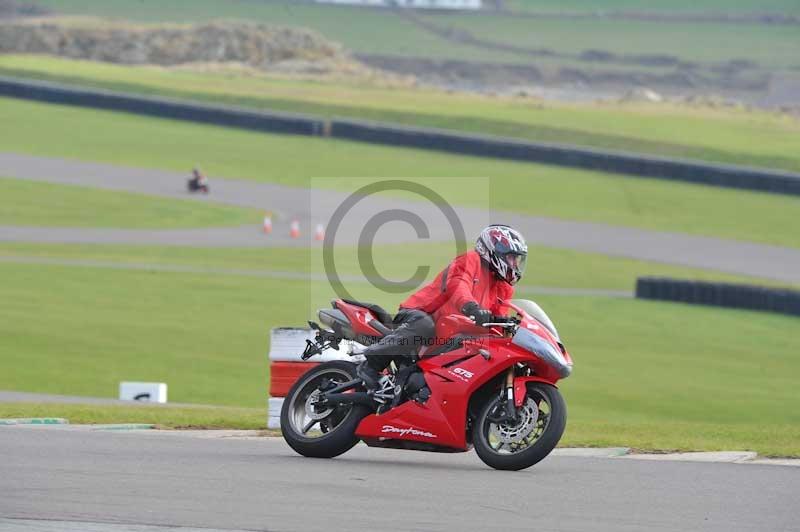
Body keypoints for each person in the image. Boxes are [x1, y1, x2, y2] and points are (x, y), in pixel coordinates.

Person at [356, 224, 528, 389]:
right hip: (422, 314)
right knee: (424, 325)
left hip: (454, 333)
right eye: (511, 257)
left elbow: (497, 322)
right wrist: (471, 307)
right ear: (493, 250)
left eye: (517, 260)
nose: (514, 264)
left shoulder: (504, 287)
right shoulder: (470, 260)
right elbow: (457, 285)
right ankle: (371, 364)